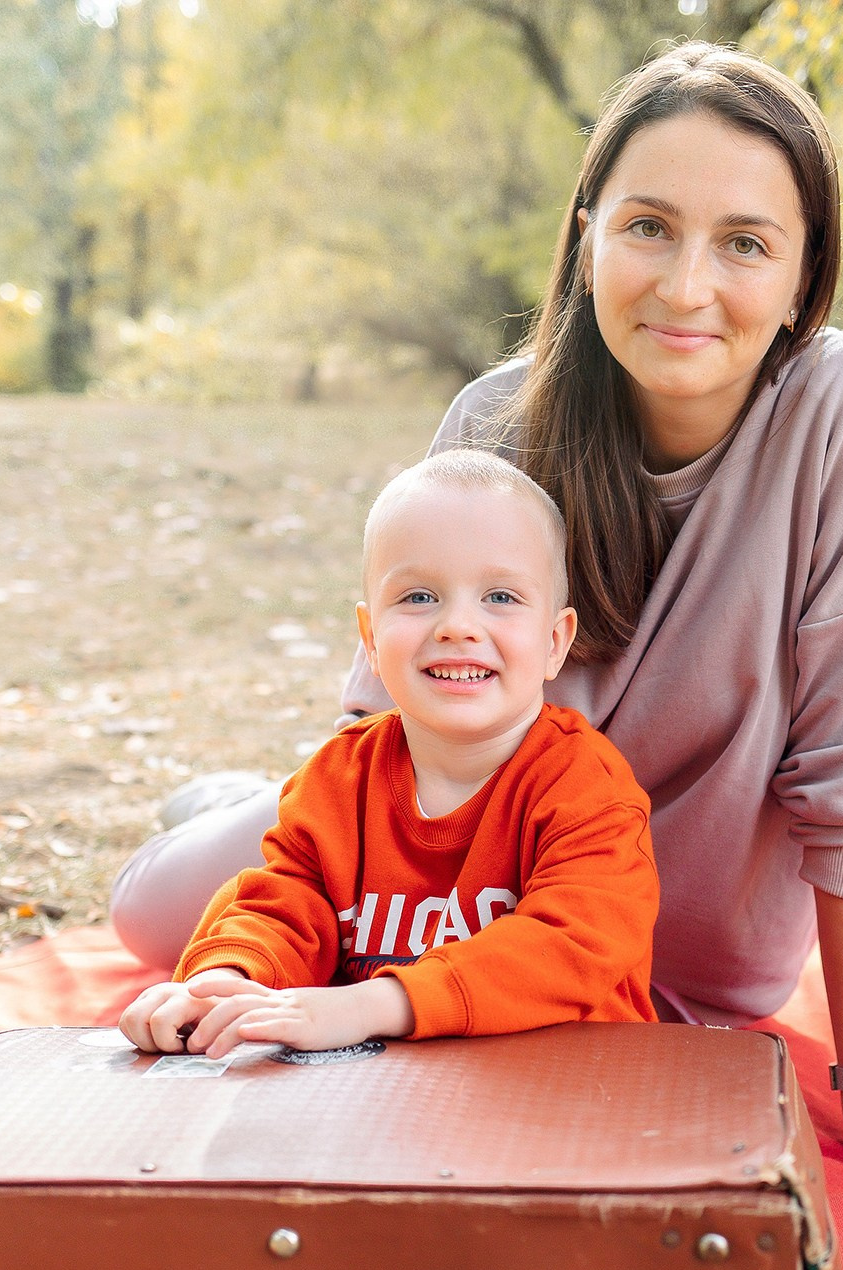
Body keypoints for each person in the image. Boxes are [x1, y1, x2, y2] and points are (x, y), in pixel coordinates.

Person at [111, 42, 843, 1186]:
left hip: (679, 922)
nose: (684, 285)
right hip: (461, 887)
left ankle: (235, 803)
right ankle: (230, 806)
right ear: (587, 235)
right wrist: (286, 969)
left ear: (804, 279)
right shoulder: (500, 421)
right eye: (649, 227)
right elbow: (388, 737)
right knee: (156, 914)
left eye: (746, 244)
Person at [118, 450, 658, 1059]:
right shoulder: (340, 777)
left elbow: (570, 944)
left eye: (501, 597)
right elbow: (284, 901)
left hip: (564, 1090)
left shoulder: (587, 787)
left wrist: (375, 1004)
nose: (458, 625)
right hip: (381, 1099)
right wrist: (228, 980)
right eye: (420, 597)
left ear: (556, 641)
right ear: (371, 640)